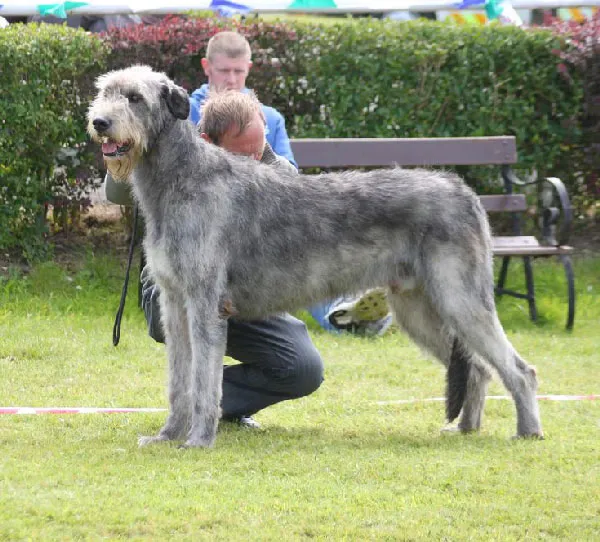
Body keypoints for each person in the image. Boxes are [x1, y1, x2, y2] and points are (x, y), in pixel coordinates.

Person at [106, 91, 324, 429]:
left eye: (259, 149)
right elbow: (116, 192)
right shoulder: (176, 161)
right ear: (207, 141)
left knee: (302, 368)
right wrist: (129, 147)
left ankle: (213, 404)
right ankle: (192, 407)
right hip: (178, 288)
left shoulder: (278, 172)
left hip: (244, 293)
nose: (254, 161)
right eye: (242, 154)